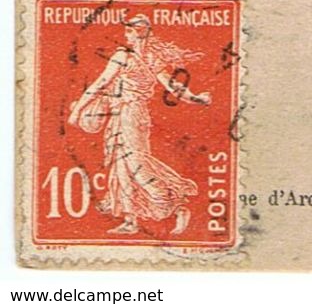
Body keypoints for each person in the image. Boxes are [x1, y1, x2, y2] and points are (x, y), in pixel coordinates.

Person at [67, 15, 212, 236]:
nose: (125, 36)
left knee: (134, 164)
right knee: (121, 166)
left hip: (129, 114)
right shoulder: (153, 59)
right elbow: (174, 88)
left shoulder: (122, 56)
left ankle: (176, 206)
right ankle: (130, 220)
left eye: (128, 32)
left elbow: (101, 83)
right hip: (133, 114)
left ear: (137, 33)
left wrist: (77, 111)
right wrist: (196, 98)